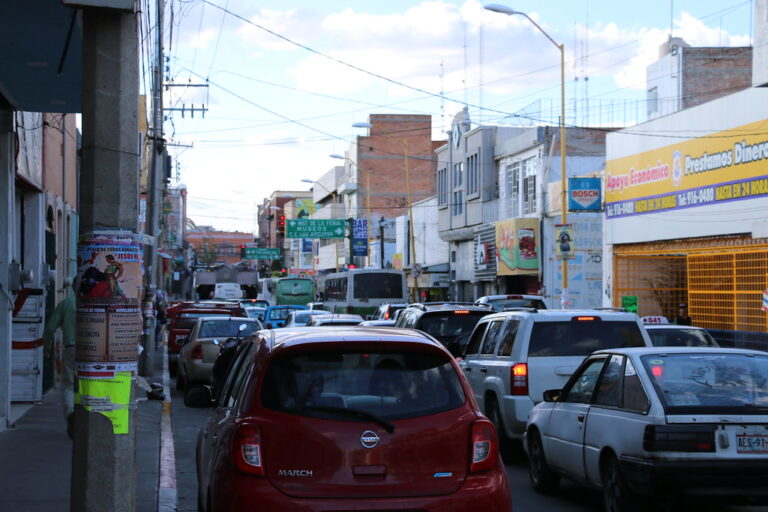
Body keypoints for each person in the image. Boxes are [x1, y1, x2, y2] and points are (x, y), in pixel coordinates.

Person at [43, 279, 76, 439]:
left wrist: (47, 347)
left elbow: (50, 328)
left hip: (71, 348)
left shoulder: (66, 304)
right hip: (93, 351)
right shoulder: (95, 303)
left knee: (69, 385)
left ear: (73, 287)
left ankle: (70, 413)